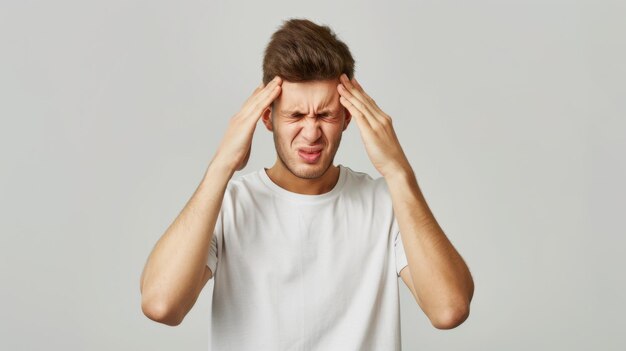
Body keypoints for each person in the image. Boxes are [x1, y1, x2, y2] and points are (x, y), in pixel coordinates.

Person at [140, 18, 474, 350]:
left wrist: (399, 171)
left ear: (347, 117)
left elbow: (448, 309)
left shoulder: (386, 204)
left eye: (325, 115)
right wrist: (220, 166)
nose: (312, 133)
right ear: (267, 118)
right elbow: (162, 305)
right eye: (296, 116)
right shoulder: (228, 205)